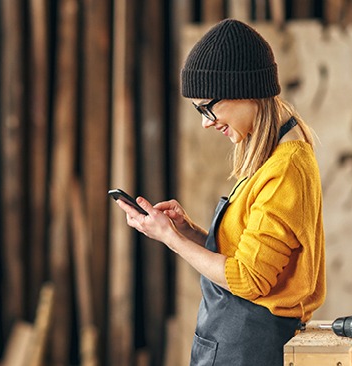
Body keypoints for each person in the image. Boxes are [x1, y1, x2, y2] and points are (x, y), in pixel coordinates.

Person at [113, 19, 325, 365]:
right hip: (233, 343)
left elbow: (248, 279)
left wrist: (171, 239)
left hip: (250, 350)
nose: (205, 122)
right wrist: (192, 233)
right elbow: (246, 255)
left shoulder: (286, 168)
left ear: (243, 89)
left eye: (207, 107)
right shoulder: (272, 157)